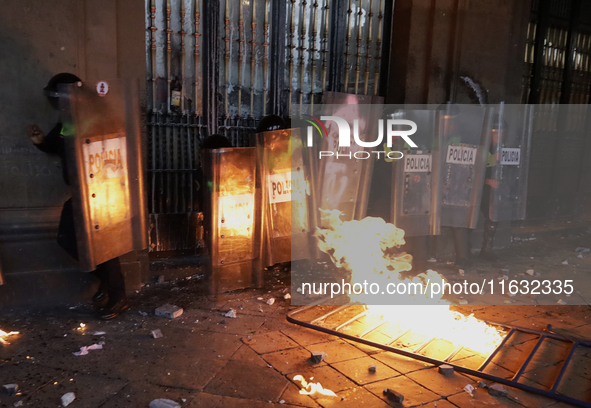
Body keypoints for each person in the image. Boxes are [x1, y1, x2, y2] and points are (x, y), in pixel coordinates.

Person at [26, 73, 129, 320]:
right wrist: (41, 142)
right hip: (80, 192)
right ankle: (107, 281)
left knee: (106, 245)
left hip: (103, 192)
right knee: (67, 239)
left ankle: (119, 297)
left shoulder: (97, 117)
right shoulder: (67, 121)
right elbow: (59, 144)